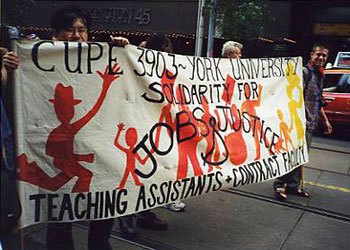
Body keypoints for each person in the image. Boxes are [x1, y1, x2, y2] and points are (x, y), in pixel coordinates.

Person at [3, 5, 128, 250]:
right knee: (61, 221)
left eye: (82, 30)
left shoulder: (102, 59)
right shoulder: (34, 60)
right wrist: (9, 71)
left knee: (103, 212)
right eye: (69, 30)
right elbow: (15, 105)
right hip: (60, 158)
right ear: (55, 35)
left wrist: (122, 50)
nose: (77, 35)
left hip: (101, 154)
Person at [273, 43, 333, 201]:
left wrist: (325, 121)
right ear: (311, 55)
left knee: (301, 156)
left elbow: (318, 102)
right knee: (293, 155)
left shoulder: (320, 75)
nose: (321, 57)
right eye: (318, 54)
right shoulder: (305, 72)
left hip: (310, 123)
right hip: (298, 123)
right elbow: (293, 96)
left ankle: (293, 185)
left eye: (324, 56)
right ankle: (280, 183)